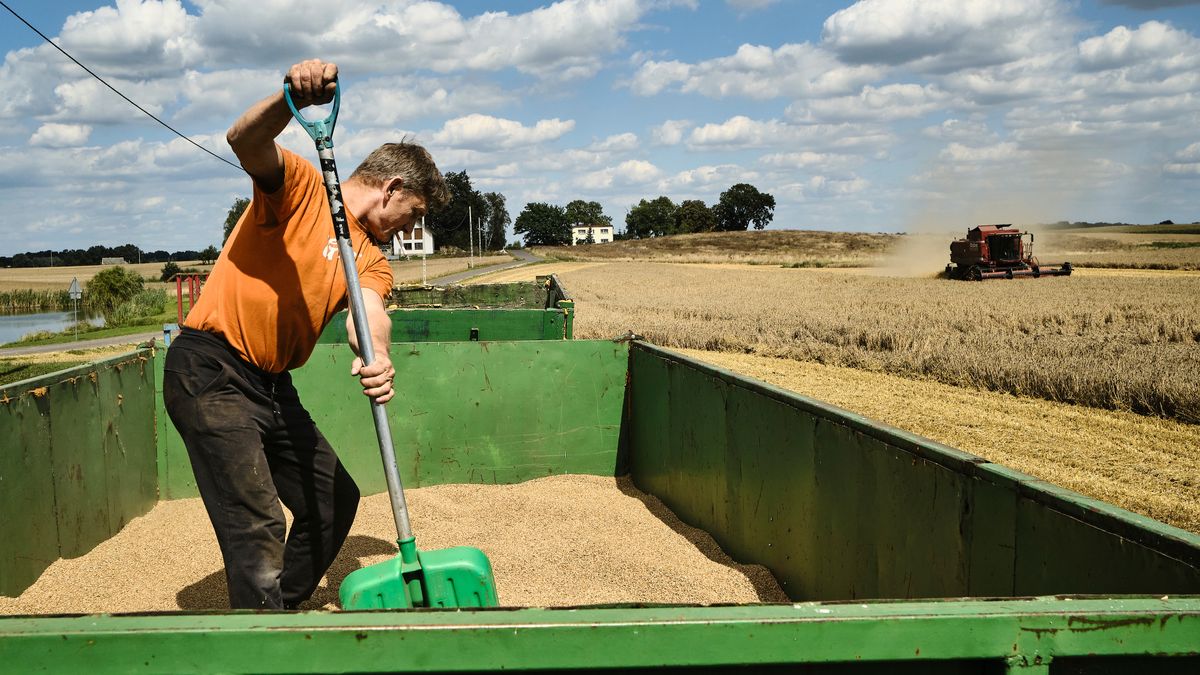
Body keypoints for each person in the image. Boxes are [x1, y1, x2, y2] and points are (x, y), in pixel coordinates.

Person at [163, 59, 450, 609]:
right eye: (411, 216)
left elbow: (367, 313)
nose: (409, 231)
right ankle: (262, 642)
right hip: (211, 369)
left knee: (332, 498)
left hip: (271, 385)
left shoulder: (369, 255)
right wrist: (289, 96)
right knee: (258, 525)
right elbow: (243, 139)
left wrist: (379, 354)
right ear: (390, 188)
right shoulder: (299, 188)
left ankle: (280, 610)